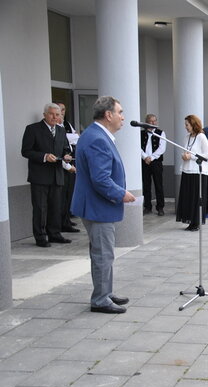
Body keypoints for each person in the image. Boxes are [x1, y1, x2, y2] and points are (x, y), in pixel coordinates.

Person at [71, 96, 135, 313]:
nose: (123, 117)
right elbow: (100, 179)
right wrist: (121, 194)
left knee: (103, 253)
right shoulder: (97, 138)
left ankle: (105, 292)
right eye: (120, 112)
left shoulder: (96, 134)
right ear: (109, 115)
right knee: (103, 254)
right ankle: (100, 299)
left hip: (96, 205)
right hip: (98, 207)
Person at [21, 103, 72, 247]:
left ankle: (55, 234)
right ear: (44, 114)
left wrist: (67, 155)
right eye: (51, 114)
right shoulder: (32, 129)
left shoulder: (61, 131)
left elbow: (66, 149)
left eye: (57, 115)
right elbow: (26, 151)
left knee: (56, 207)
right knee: (40, 208)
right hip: (39, 176)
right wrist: (44, 156)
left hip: (57, 175)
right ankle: (41, 237)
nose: (55, 117)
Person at [176, 115, 208, 231]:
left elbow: (207, 155)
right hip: (187, 170)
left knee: (197, 197)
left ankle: (196, 222)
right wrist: (184, 155)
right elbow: (185, 151)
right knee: (188, 196)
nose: (185, 127)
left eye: (187, 124)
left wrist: (190, 156)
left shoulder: (202, 137)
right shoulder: (186, 137)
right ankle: (190, 220)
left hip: (198, 171)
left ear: (193, 124)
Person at [55, 101, 80, 233]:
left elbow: (76, 137)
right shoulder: (56, 128)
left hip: (71, 162)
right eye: (59, 111)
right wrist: (73, 137)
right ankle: (62, 223)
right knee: (62, 197)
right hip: (63, 166)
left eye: (63, 110)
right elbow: (71, 138)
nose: (62, 113)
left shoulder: (66, 124)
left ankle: (67, 219)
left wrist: (74, 137)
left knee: (69, 194)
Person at [140, 113, 166, 216]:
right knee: (146, 185)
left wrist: (152, 157)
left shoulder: (161, 133)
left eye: (155, 121)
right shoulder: (141, 134)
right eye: (151, 121)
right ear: (146, 123)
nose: (153, 123)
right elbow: (138, 147)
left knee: (158, 185)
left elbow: (162, 148)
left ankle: (160, 207)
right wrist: (145, 157)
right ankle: (147, 207)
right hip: (144, 162)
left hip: (156, 162)